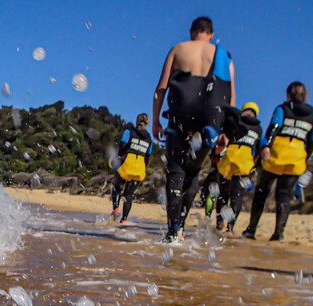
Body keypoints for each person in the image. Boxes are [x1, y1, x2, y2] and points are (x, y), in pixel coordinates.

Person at [152, 16, 236, 242]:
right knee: (193, 171)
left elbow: (161, 88)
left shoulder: (178, 49)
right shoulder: (224, 56)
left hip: (180, 114)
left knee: (176, 170)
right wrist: (226, 132)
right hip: (210, 119)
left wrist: (155, 120)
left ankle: (172, 231)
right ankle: (180, 224)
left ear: (191, 32)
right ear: (210, 34)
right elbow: (231, 99)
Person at [243, 82, 313, 241]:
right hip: (295, 160)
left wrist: (266, 146)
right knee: (284, 197)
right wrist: (305, 158)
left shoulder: (282, 109)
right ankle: (278, 234)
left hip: (275, 156)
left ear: (288, 95)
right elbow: (312, 142)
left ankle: (251, 230)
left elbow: (274, 127)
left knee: (261, 192)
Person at [200, 101, 262, 234]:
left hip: (228, 161)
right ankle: (230, 227)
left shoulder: (236, 122)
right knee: (237, 197)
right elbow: (258, 149)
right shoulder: (258, 129)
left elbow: (222, 140)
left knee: (223, 195)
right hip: (244, 164)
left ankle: (218, 224)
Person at [110, 113, 153, 224]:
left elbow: (122, 145)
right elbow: (148, 156)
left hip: (127, 164)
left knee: (117, 187)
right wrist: (144, 168)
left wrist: (119, 155)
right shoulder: (149, 139)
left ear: (136, 120)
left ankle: (115, 209)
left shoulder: (129, 132)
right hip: (139, 168)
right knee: (129, 195)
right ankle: (124, 220)